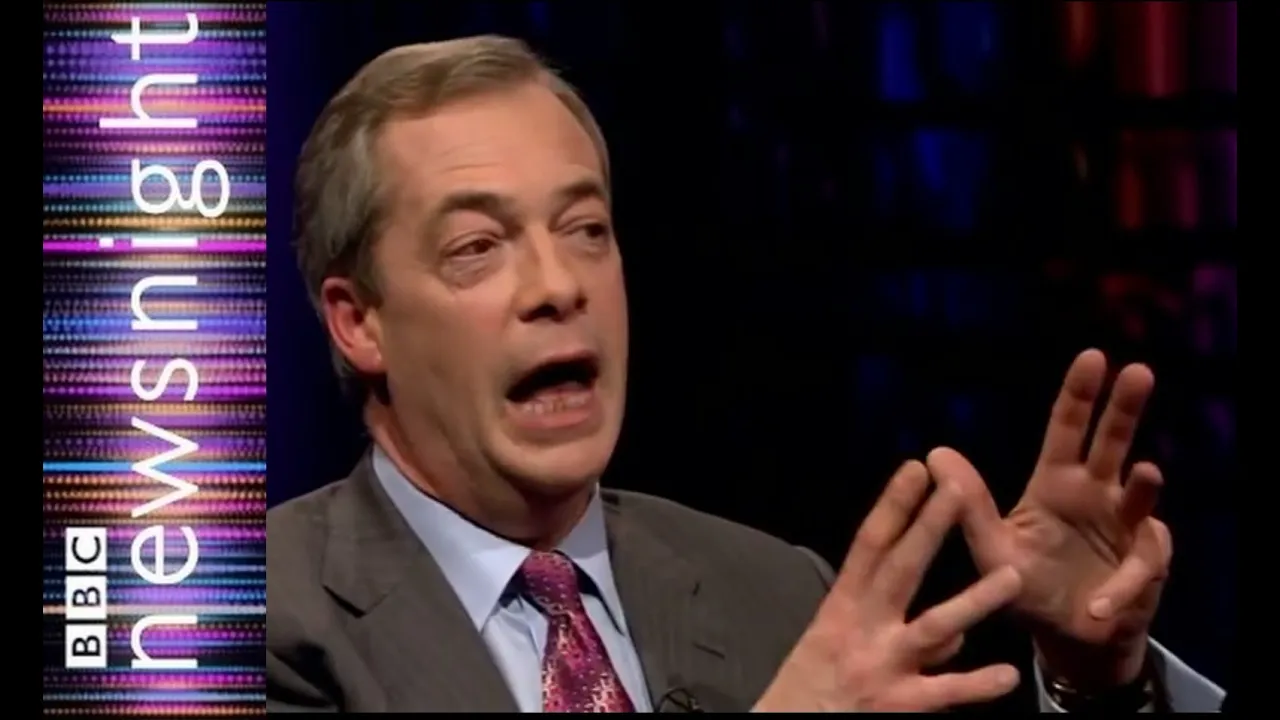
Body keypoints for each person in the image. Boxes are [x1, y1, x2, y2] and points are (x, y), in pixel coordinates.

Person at [267, 35, 1226, 713]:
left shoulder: (780, 595)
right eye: (478, 247)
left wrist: (1093, 684)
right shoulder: (245, 623)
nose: (559, 286)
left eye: (586, 229)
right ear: (359, 322)